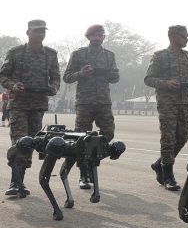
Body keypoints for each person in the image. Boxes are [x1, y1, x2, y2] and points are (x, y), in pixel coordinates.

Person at [0, 20, 60, 196]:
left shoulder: (50, 54)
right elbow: (2, 75)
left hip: (38, 105)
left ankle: (20, 181)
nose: (41, 34)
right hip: (19, 104)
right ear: (28, 32)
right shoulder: (15, 53)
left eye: (43, 31)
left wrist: (54, 87)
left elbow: (56, 77)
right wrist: (13, 85)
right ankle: (15, 183)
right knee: (20, 142)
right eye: (37, 31)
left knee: (31, 143)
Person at [63, 24, 120, 189]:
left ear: (103, 37)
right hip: (85, 102)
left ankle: (94, 159)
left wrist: (111, 73)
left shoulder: (110, 55)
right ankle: (84, 174)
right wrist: (81, 73)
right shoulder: (78, 54)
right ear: (88, 37)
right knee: (82, 138)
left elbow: (115, 78)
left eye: (100, 34)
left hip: (103, 101)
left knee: (108, 133)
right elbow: (67, 77)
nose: (97, 37)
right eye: (94, 35)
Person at [144, 25, 188, 191]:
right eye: (184, 36)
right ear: (174, 36)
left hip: (185, 103)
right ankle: (167, 175)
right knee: (168, 138)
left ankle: (158, 163)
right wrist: (166, 83)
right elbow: (148, 79)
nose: (186, 39)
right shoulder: (160, 56)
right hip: (167, 103)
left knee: (182, 137)